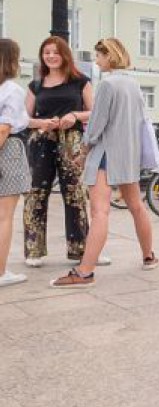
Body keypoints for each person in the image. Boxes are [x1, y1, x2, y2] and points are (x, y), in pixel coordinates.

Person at [51, 38, 158, 288]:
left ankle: (85, 272)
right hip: (128, 155)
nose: (97, 61)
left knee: (99, 212)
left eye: (99, 56)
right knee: (137, 207)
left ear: (109, 56)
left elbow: (97, 126)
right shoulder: (133, 84)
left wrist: (83, 151)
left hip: (106, 155)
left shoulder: (107, 85)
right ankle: (149, 256)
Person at [23, 36, 92, 267]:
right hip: (41, 140)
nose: (51, 56)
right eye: (46, 52)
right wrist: (41, 123)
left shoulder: (80, 81)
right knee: (36, 194)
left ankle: (80, 250)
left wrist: (74, 115)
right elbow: (24, 118)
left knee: (74, 194)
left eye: (55, 52)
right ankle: (34, 250)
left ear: (64, 55)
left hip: (71, 140)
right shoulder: (36, 85)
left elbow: (94, 112)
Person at [0, 39, 31, 287]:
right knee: (4, 217)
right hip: (7, 150)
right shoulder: (12, 90)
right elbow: (4, 129)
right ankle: (0, 272)